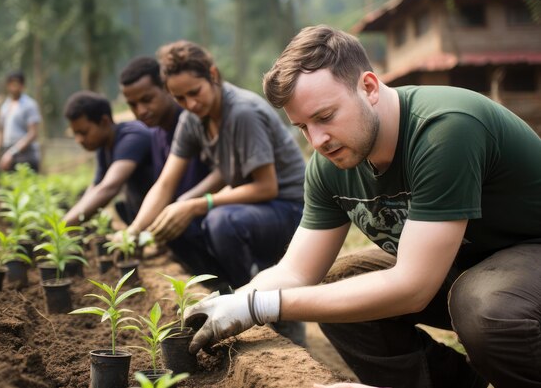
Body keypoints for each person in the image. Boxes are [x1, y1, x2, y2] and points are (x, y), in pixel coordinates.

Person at [183, 25, 541, 388]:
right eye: (303, 127)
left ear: (368, 87)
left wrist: (262, 307)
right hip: (461, 265)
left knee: (485, 308)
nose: (317, 140)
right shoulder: (330, 165)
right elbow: (295, 272)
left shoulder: (443, 130)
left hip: (529, 256)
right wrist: (236, 302)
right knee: (338, 284)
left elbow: (412, 286)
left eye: (325, 117)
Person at [125, 40, 306, 295]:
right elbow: (166, 183)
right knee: (172, 219)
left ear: (213, 75)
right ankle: (222, 288)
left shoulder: (242, 113)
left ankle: (255, 299)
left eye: (195, 92)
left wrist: (197, 203)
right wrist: (134, 232)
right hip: (257, 209)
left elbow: (267, 187)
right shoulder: (193, 119)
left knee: (221, 222)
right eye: (179, 98)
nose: (190, 104)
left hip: (291, 208)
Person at [119, 56, 211, 200]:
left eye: (147, 100)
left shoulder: (194, 123)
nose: (141, 110)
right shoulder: (156, 134)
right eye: (133, 105)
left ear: (167, 89)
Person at [62, 91, 153, 226]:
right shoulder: (103, 146)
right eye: (76, 134)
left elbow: (109, 188)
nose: (79, 140)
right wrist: (68, 219)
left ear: (104, 121)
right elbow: (95, 188)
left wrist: (63, 226)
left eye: (84, 132)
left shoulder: (132, 136)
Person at [0, 70, 41, 172]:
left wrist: (12, 152)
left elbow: (33, 133)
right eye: (11, 83)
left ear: (22, 86)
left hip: (26, 156)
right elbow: (0, 132)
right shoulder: (5, 106)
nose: (13, 87)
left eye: (16, 83)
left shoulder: (29, 105)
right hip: (8, 154)